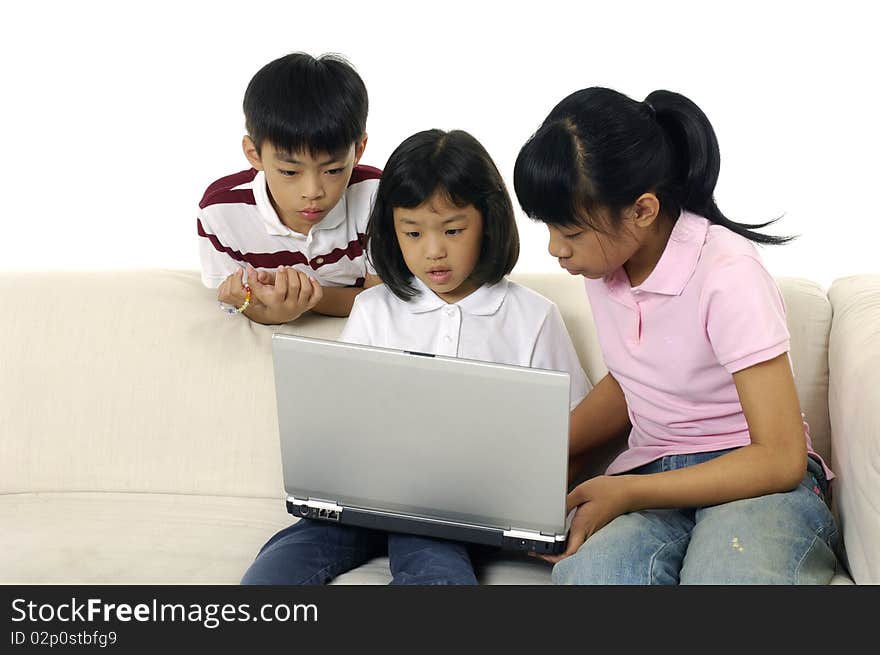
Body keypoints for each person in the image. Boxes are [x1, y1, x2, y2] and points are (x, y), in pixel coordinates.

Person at [513, 87, 841, 584]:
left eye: (572, 232)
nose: (557, 249)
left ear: (642, 210)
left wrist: (627, 492)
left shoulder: (727, 272)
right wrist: (533, 452)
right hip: (654, 471)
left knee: (730, 578)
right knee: (593, 579)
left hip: (755, 480)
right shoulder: (607, 268)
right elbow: (635, 381)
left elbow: (780, 456)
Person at [240, 129, 590, 585]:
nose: (433, 251)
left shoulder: (532, 316)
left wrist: (538, 507)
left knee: (435, 572)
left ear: (488, 221)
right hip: (365, 504)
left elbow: (577, 431)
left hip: (462, 512)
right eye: (412, 232)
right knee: (275, 569)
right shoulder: (374, 308)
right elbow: (342, 421)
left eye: (453, 230)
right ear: (392, 232)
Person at [197, 52, 382, 324]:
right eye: (289, 172)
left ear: (358, 151)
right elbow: (235, 299)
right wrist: (262, 308)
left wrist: (303, 302)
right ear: (254, 153)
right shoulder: (221, 212)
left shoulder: (378, 198)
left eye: (333, 170)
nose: (312, 191)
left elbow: (382, 301)